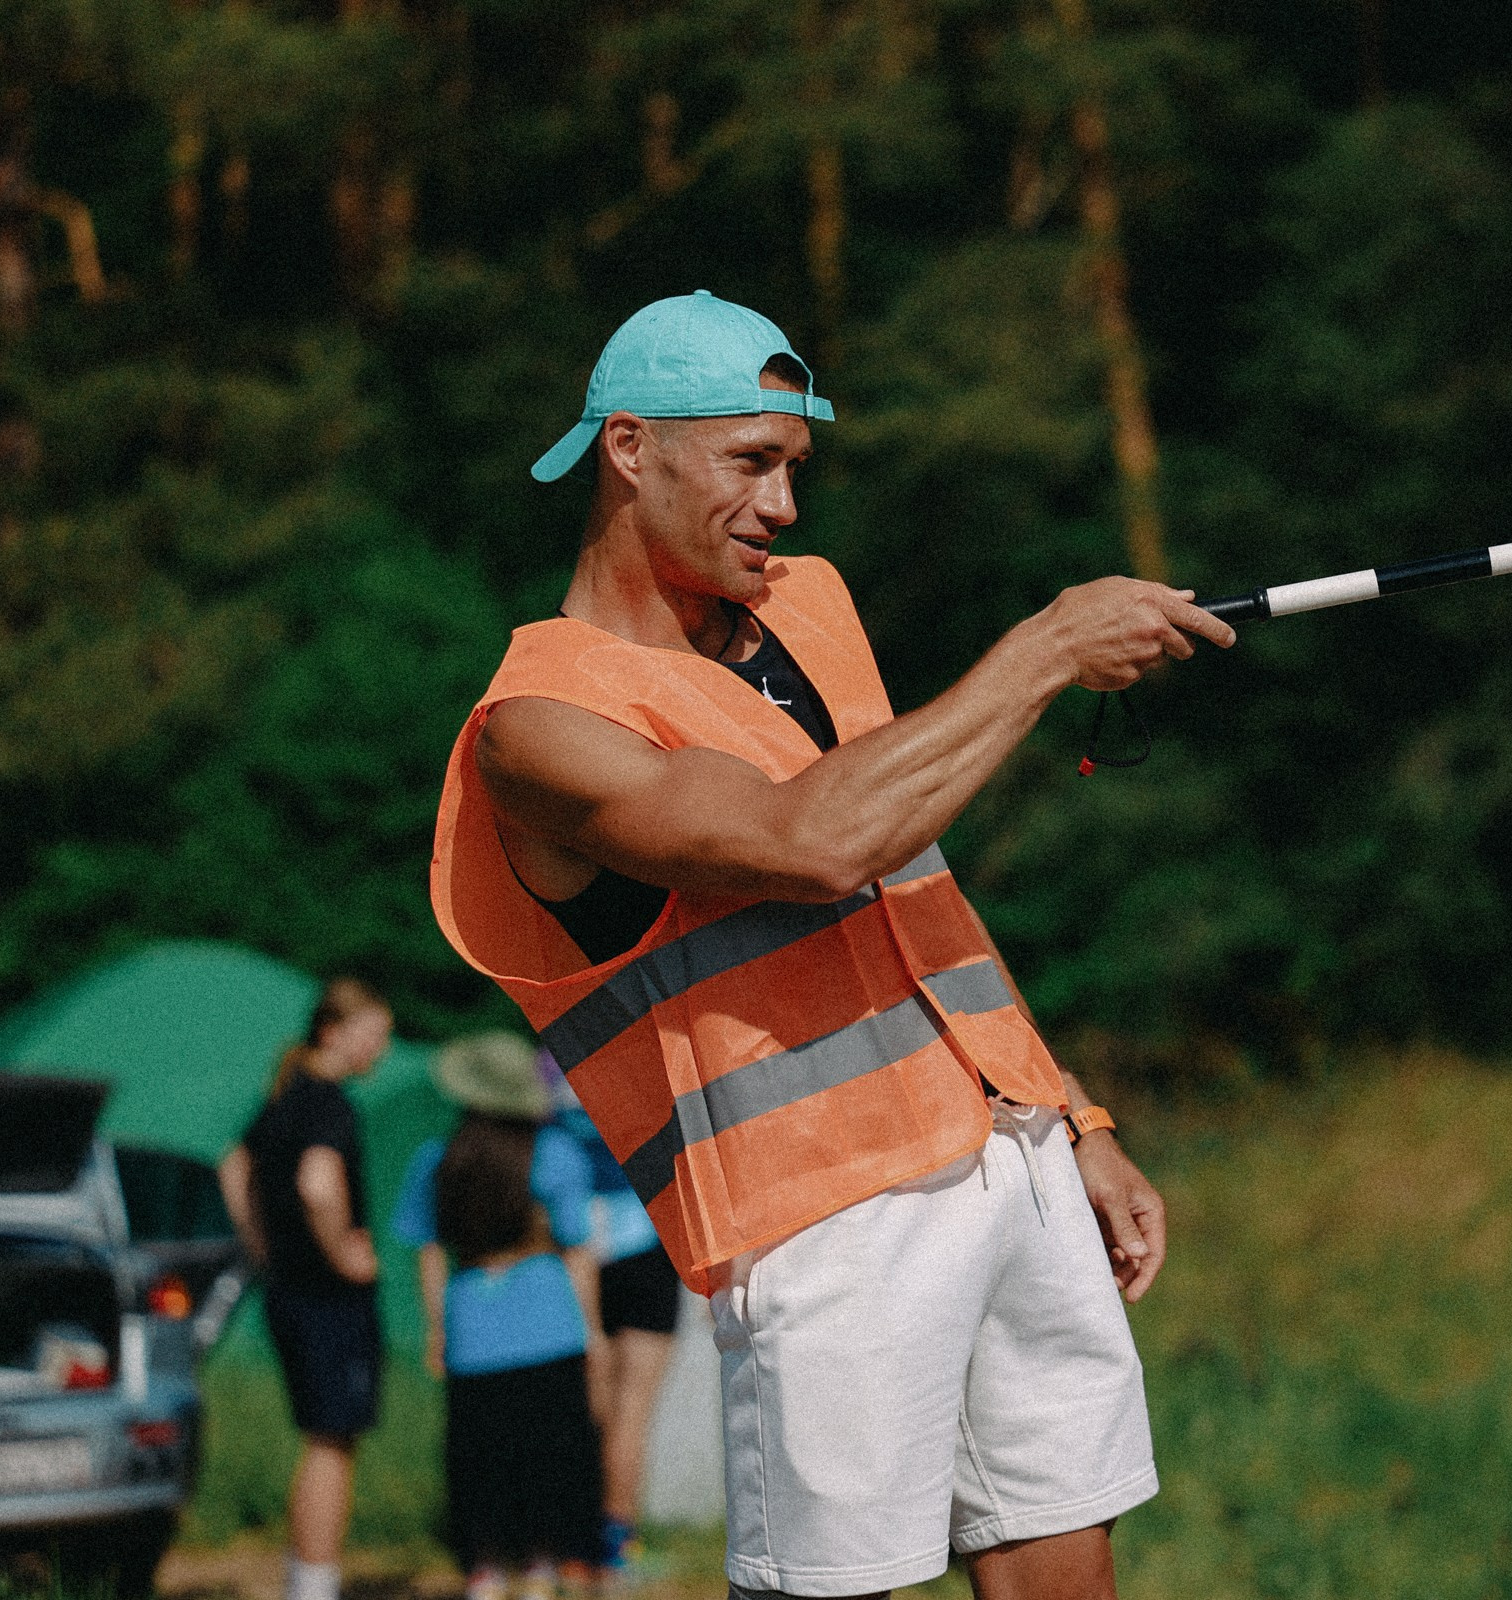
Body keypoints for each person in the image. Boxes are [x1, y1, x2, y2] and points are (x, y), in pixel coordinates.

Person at [428, 290, 1233, 1600]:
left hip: (1007, 1155)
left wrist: (1071, 1114)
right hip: (826, 1217)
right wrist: (1041, 653)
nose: (785, 509)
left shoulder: (810, 605)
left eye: (794, 469)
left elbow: (919, 884)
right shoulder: (536, 726)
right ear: (630, 449)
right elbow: (811, 843)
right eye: (754, 462)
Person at [391, 1032, 607, 1600]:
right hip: (549, 1326)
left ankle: (483, 1573)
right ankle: (539, 1569)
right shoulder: (556, 1155)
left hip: (473, 1329)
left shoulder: (436, 1160)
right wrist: (594, 1333)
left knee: (479, 1461)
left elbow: (428, 1250)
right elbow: (577, 1249)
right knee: (547, 1458)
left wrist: (437, 1326)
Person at [218, 977, 392, 1600]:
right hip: (329, 1300)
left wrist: (264, 1247)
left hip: (287, 1293)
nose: (380, 1050)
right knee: (331, 1444)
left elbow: (234, 1167)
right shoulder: (328, 1102)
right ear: (333, 1032)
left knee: (319, 1437)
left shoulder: (283, 1097)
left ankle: (305, 1582)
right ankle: (314, 1589)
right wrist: (343, 1251)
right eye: (373, 1035)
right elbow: (319, 1184)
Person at [540, 1046, 680, 1576]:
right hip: (645, 1236)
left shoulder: (550, 1053)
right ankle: (616, 1542)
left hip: (570, 1241)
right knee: (633, 1404)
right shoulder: (640, 1045)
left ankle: (574, 1540)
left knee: (581, 1393)